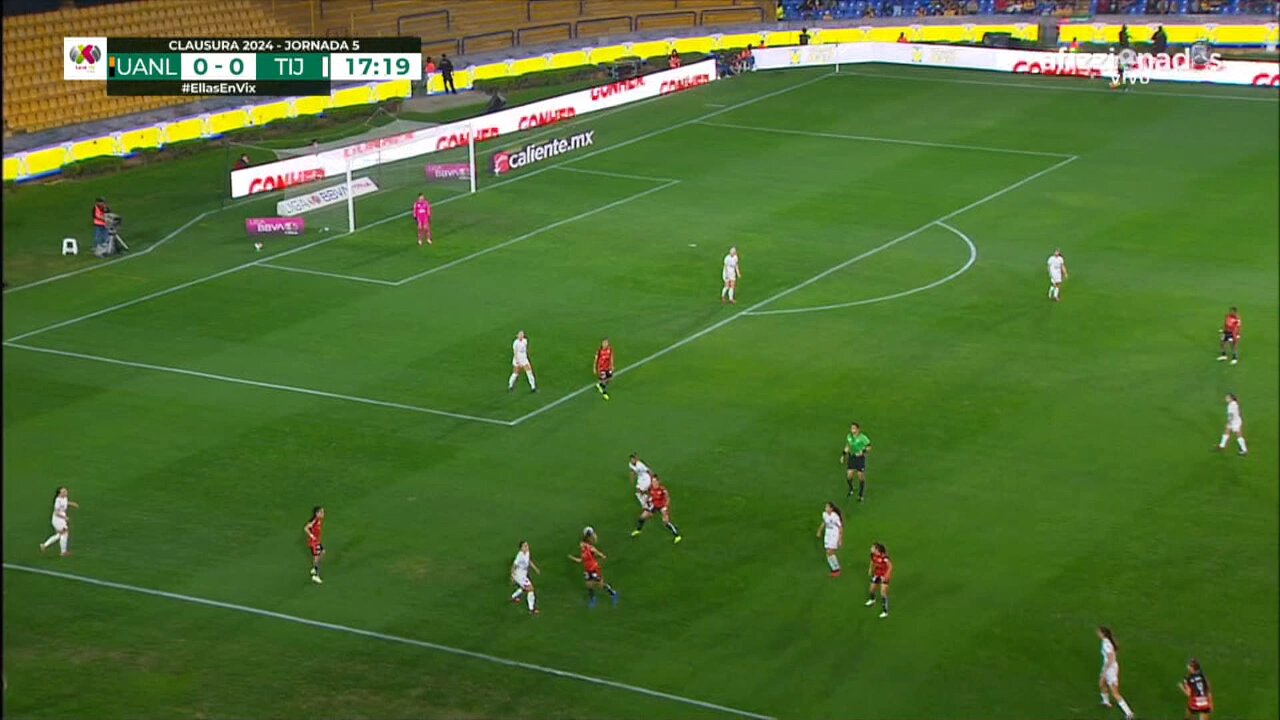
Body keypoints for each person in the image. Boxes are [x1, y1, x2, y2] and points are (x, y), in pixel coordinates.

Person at [568, 527, 619, 607]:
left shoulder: (589, 548)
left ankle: (613, 593)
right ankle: (593, 599)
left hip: (594, 569)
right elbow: (581, 560)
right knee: (589, 584)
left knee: (600, 585)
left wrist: (602, 555)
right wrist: (573, 558)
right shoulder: (583, 552)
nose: (581, 546)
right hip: (588, 570)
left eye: (582, 545)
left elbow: (595, 551)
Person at [1097, 627, 1136, 719]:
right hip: (1111, 667)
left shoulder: (1106, 643)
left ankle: (1129, 713)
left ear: (1103, 634)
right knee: (1101, 684)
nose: (1097, 633)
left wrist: (1104, 671)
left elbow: (1110, 658)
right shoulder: (1108, 642)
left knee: (1115, 692)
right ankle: (1106, 702)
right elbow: (1114, 653)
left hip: (1110, 669)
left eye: (1099, 632)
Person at [632, 475, 681, 543]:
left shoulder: (662, 489)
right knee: (642, 517)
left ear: (658, 481)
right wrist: (646, 498)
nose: (654, 483)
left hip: (662, 507)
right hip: (654, 506)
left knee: (666, 522)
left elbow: (667, 498)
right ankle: (638, 530)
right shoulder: (651, 489)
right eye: (653, 482)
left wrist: (666, 507)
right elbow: (649, 495)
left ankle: (677, 536)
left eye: (655, 481)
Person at [38, 487, 78, 557]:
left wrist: (72, 504)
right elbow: (56, 513)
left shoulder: (64, 498)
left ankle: (44, 545)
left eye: (65, 491)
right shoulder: (57, 501)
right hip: (57, 519)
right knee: (64, 533)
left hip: (61, 519)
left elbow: (65, 503)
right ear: (60, 494)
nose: (66, 492)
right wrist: (65, 517)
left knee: (59, 535)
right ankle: (63, 552)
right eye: (64, 492)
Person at [842, 422, 873, 501]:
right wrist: (843, 455)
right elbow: (847, 446)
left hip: (860, 458)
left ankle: (861, 494)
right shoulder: (849, 437)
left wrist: (862, 451)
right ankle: (851, 489)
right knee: (849, 476)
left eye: (854, 428)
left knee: (860, 476)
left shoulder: (863, 438)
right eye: (852, 428)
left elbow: (869, 447)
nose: (852, 430)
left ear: (858, 429)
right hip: (852, 457)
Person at [509, 541, 541, 616]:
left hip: (523, 574)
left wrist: (535, 568)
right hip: (519, 575)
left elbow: (529, 561)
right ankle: (531, 609)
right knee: (530, 589)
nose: (527, 547)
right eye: (525, 546)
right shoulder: (519, 556)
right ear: (521, 548)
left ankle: (513, 597)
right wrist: (512, 576)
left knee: (524, 588)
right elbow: (514, 566)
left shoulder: (527, 552)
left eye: (527, 545)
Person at [865, 542, 892, 617]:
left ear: (877, 549)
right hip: (877, 574)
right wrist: (870, 568)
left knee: (883, 592)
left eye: (872, 547)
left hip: (884, 575)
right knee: (872, 589)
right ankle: (872, 600)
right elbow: (872, 561)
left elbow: (890, 566)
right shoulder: (873, 555)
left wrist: (887, 575)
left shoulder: (884, 557)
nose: (871, 548)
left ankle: (885, 611)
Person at [817, 502, 843, 577]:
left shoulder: (835, 517)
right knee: (828, 553)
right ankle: (835, 569)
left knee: (830, 552)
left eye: (827, 507)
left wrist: (840, 539)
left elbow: (840, 527)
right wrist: (819, 530)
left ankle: (836, 569)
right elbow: (824, 523)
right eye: (826, 507)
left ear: (831, 509)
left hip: (834, 535)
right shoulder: (824, 514)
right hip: (828, 535)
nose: (826, 508)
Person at [304, 506, 325, 584]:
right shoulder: (315, 520)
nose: (323, 514)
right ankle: (316, 576)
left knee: (322, 552)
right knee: (316, 558)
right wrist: (311, 536)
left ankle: (314, 568)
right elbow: (306, 528)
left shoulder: (319, 520)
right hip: (314, 543)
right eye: (321, 512)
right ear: (317, 513)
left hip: (317, 541)